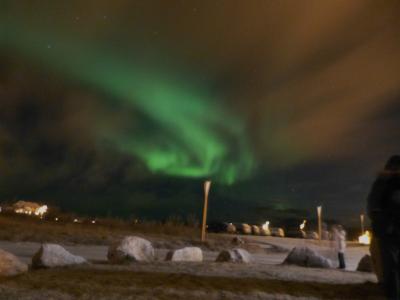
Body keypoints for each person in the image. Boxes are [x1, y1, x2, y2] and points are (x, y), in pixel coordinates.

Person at [367, 155, 400, 300]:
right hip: (389, 233)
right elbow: (373, 208)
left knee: (391, 269)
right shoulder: (383, 183)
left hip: (389, 232)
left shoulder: (384, 182)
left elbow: (372, 208)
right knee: (391, 269)